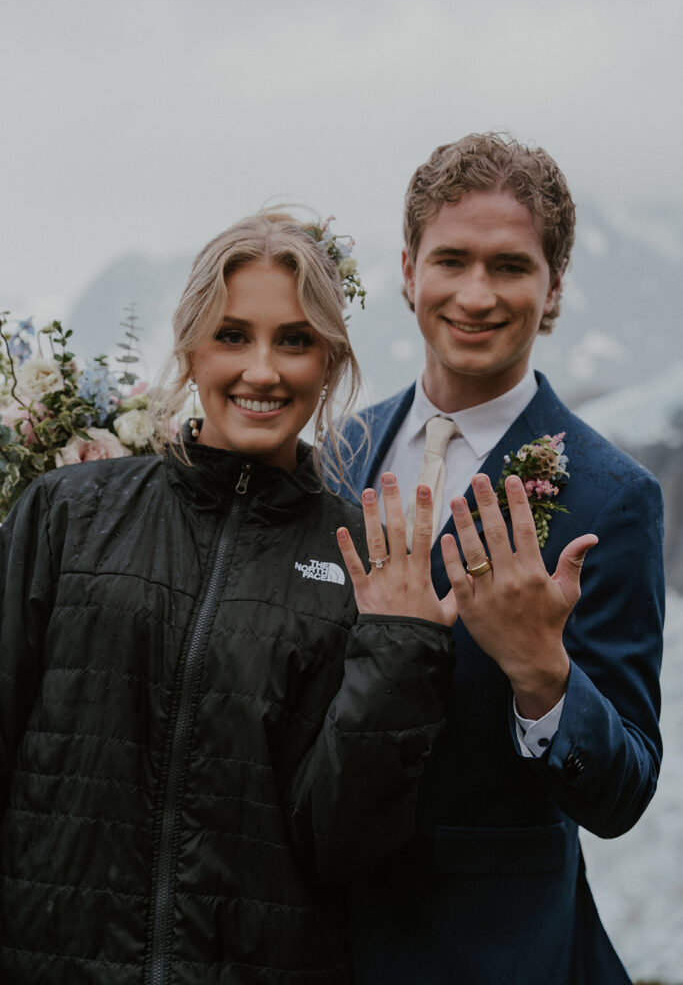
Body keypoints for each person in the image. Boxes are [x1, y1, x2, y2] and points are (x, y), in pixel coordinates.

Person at [0, 212, 469, 984]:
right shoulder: (66, 515)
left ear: (329, 361)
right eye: (231, 336)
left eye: (293, 340)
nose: (262, 370)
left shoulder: (364, 562)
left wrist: (400, 648)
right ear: (188, 347)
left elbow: (341, 846)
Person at [334, 134, 665, 984]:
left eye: (510, 266)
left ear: (551, 288)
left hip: (497, 950)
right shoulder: (339, 450)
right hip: (322, 933)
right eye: (451, 259)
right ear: (408, 270)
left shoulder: (612, 494)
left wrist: (542, 675)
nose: (475, 294)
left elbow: (621, 792)